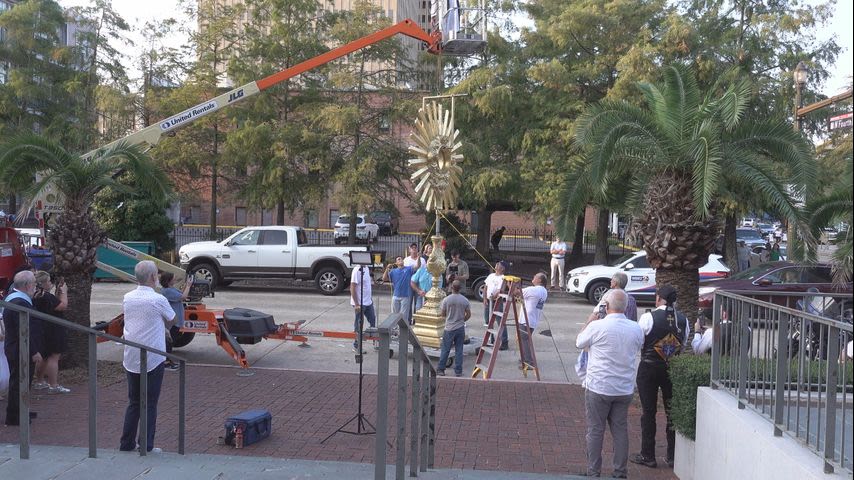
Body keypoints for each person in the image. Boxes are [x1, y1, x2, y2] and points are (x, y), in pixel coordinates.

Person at [575, 289, 644, 478]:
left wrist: (592, 318)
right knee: (620, 430)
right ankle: (620, 471)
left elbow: (579, 342)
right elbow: (639, 345)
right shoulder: (635, 328)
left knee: (596, 430)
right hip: (624, 388)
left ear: (606, 306)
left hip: (599, 386)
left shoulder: (597, 326)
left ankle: (593, 471)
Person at [631, 284, 690, 469]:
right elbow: (684, 342)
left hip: (648, 368)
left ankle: (648, 455)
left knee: (648, 412)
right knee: (671, 412)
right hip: (671, 369)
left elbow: (638, 341)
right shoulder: (683, 319)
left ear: (658, 298)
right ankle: (672, 456)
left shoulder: (649, 317)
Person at [120, 260, 175, 453]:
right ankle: (146, 445)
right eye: (157, 275)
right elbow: (172, 320)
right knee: (150, 403)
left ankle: (126, 443)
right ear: (153, 277)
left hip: (132, 355)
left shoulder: (128, 297)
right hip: (153, 355)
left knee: (134, 401)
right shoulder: (158, 299)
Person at [3, 271, 44, 426]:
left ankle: (21, 410)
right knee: (19, 383)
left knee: (21, 382)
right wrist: (34, 351)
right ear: (27, 285)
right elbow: (24, 330)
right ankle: (15, 416)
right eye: (34, 283)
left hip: (17, 347)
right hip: (20, 349)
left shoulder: (14, 298)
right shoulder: (19, 303)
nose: (35, 286)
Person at [32, 271, 70, 394]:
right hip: (53, 329)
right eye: (48, 281)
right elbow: (62, 306)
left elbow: (54, 304)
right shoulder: (46, 296)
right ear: (43, 283)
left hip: (42, 328)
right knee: (54, 357)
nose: (50, 283)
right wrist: (64, 292)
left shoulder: (37, 295)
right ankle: (53, 385)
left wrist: (57, 293)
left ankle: (39, 381)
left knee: (43, 356)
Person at [159, 272, 194, 371]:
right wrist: (188, 285)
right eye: (174, 278)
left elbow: (180, 294)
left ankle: (168, 360)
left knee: (171, 341)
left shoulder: (171, 289)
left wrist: (185, 285)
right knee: (169, 342)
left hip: (175, 321)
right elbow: (183, 297)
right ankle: (165, 362)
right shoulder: (167, 291)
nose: (175, 279)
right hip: (172, 322)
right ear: (169, 281)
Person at [437, 280, 471, 377]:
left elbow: (443, 314)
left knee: (445, 349)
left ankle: (441, 369)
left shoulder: (446, 300)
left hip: (449, 328)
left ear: (452, 287)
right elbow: (468, 314)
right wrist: (462, 320)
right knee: (459, 349)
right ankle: (458, 371)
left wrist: (449, 318)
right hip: (460, 327)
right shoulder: (464, 300)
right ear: (460, 288)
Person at [518, 273, 548, 368]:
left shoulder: (533, 290)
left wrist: (510, 284)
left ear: (539, 280)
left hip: (526, 319)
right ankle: (525, 357)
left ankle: (529, 362)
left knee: (524, 340)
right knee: (525, 339)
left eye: (535, 277)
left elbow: (516, 292)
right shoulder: (544, 291)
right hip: (533, 319)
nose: (533, 277)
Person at [383, 256, 418, 325]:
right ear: (396, 263)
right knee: (394, 315)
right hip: (395, 296)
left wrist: (419, 257)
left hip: (405, 297)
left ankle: (404, 332)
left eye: (401, 259)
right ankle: (395, 330)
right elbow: (384, 278)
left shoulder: (408, 269)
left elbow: (417, 266)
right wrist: (387, 269)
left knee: (404, 317)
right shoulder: (393, 271)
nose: (400, 260)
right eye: (398, 259)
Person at [350, 262, 375, 352]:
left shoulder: (367, 268)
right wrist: (356, 304)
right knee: (359, 324)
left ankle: (375, 342)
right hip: (360, 303)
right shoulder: (357, 270)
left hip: (368, 301)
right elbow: (352, 287)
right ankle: (357, 346)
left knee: (373, 321)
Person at [483, 261, 508, 350]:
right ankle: (491, 339)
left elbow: (501, 290)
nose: (496, 265)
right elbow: (485, 287)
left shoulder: (503, 278)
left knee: (500, 321)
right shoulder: (491, 276)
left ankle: (504, 342)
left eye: (498, 265)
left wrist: (494, 296)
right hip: (488, 301)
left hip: (497, 302)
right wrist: (485, 298)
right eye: (496, 264)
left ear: (502, 268)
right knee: (488, 320)